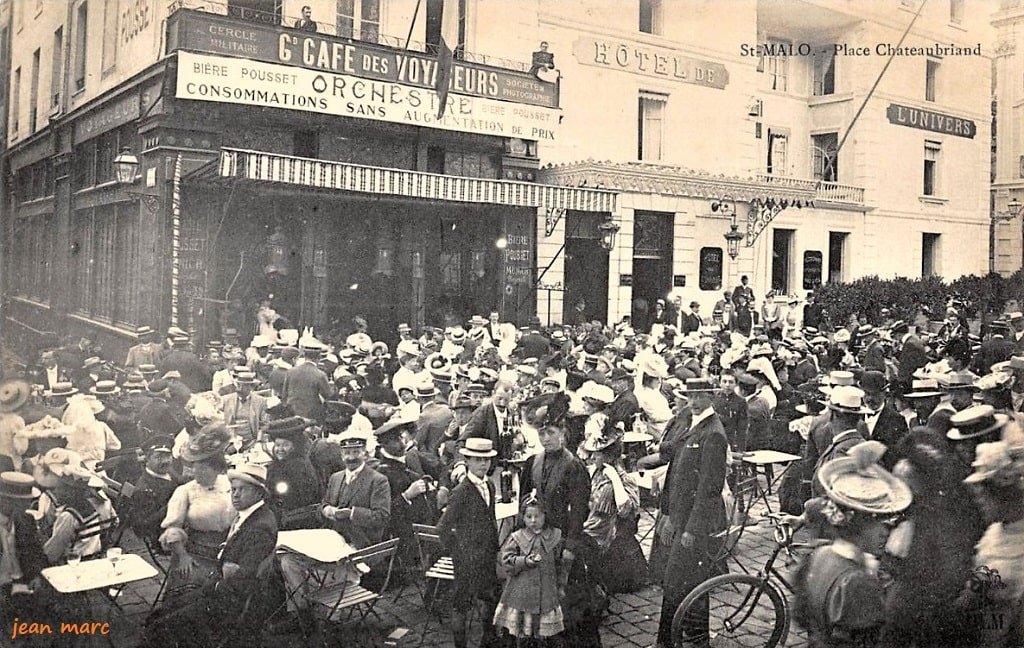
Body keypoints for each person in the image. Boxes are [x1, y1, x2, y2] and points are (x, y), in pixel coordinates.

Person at [792, 441, 913, 648]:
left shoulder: (819, 554)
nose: (888, 530)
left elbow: (801, 615)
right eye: (881, 522)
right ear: (858, 524)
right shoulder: (857, 582)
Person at [656, 378, 729, 648]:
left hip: (693, 523)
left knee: (678, 581)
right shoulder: (691, 425)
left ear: (711, 396)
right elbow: (675, 473)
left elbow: (710, 488)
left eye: (700, 396)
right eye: (690, 396)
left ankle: (669, 641)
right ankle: (695, 637)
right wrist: (667, 513)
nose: (694, 401)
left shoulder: (714, 433)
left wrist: (691, 529)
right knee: (690, 580)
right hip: (679, 516)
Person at [159, 425, 235, 605]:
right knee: (194, 589)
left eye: (202, 469)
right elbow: (173, 529)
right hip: (198, 553)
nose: (196, 473)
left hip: (232, 549)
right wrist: (183, 556)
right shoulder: (184, 491)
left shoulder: (230, 484)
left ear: (216, 468)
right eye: (194, 468)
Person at [437, 438, 501, 648]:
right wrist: (459, 550)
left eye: (487, 460)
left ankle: (487, 640)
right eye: (478, 460)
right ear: (467, 461)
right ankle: (460, 644)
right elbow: (443, 528)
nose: (484, 464)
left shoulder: (490, 485)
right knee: (461, 604)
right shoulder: (461, 491)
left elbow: (490, 519)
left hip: (487, 556)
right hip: (466, 559)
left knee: (489, 598)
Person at [493, 494, 568, 644]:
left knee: (544, 634)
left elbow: (561, 564)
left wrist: (561, 585)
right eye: (529, 516)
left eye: (537, 516)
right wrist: (524, 561)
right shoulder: (517, 537)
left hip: (547, 593)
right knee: (523, 632)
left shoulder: (555, 537)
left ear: (545, 516)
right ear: (523, 518)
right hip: (522, 594)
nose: (533, 521)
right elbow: (506, 561)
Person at [265, 416, 322, 530]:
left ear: (295, 446)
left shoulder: (297, 466)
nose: (280, 449)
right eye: (277, 445)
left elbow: (298, 501)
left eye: (285, 445)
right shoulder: (279, 464)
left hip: (294, 521)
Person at [129, 435, 179, 546]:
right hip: (165, 536)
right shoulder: (144, 489)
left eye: (168, 456)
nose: (165, 461)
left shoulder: (170, 473)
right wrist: (174, 504)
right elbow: (143, 527)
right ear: (147, 459)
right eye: (159, 457)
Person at [221, 370, 268, 443]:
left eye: (244, 385)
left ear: (251, 387)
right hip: (231, 440)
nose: (239, 388)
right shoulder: (226, 400)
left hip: (252, 440)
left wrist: (258, 441)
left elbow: (264, 424)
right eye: (238, 385)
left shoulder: (260, 401)